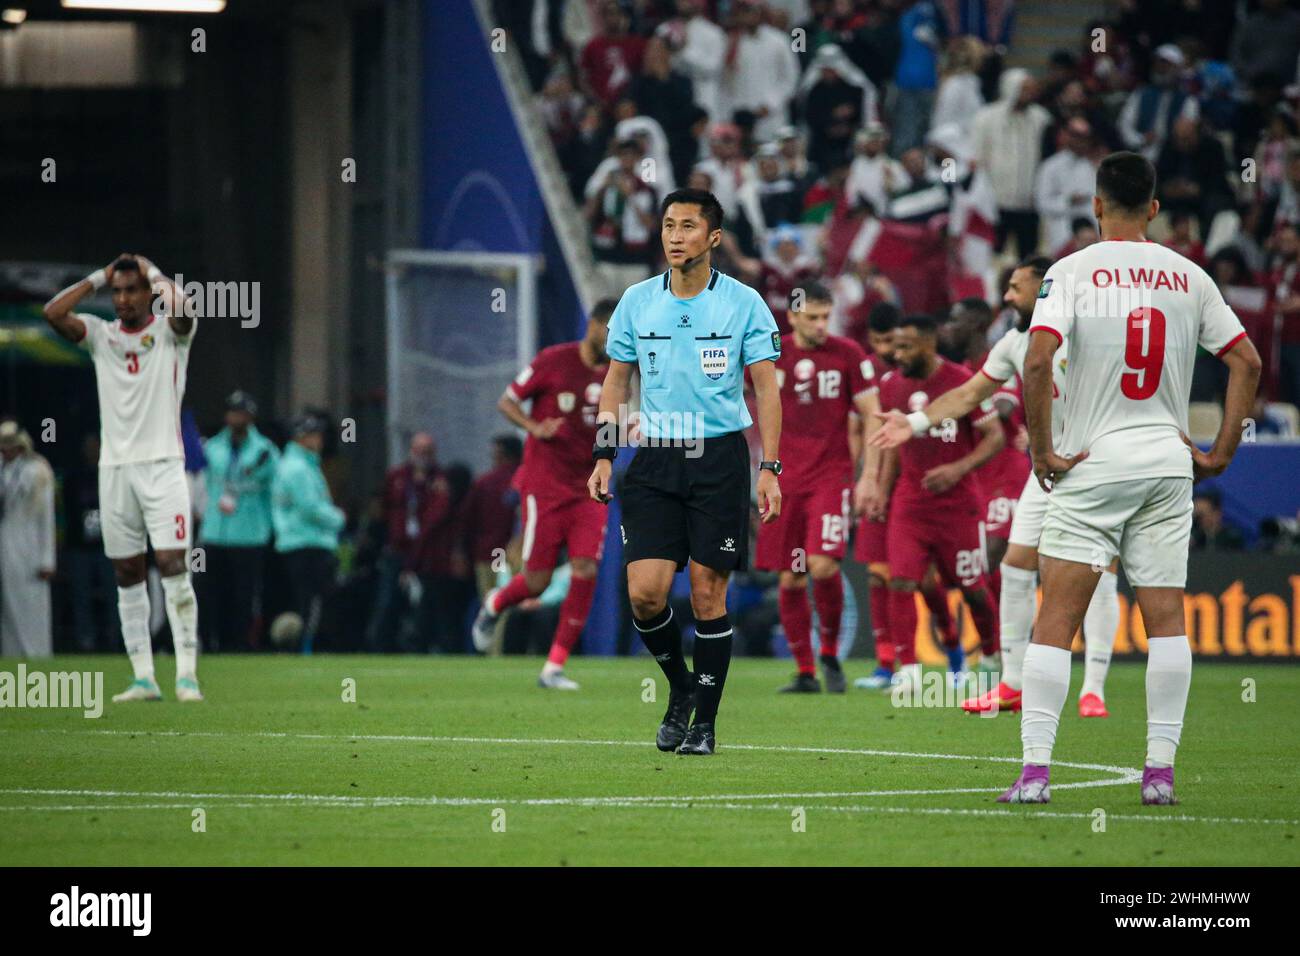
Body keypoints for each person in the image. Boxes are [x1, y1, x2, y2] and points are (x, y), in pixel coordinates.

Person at [1002, 151, 1260, 804]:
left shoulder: (1070, 271)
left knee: (1055, 618)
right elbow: (1248, 363)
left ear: (1094, 204)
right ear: (1153, 208)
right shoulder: (1189, 275)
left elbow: (1037, 363)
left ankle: (1035, 775)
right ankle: (1158, 775)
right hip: (1168, 464)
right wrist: (1220, 452)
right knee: (1166, 618)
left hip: (1094, 461)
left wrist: (1043, 451)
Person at [872, 258, 1120, 717]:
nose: (1006, 297)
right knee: (1013, 566)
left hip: (1102, 465)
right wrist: (914, 422)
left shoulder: (1092, 331)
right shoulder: (1013, 342)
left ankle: (1095, 687)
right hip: (1047, 470)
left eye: (1015, 287)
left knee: (1112, 576)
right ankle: (1010, 679)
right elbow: (971, 395)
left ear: (1046, 288)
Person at [588, 186, 782, 755]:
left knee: (705, 594)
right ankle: (681, 689)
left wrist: (768, 467)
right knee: (646, 594)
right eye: (668, 225)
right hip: (654, 458)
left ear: (713, 238)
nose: (675, 236)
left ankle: (705, 725)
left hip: (718, 458)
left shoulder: (745, 303)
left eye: (688, 226)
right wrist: (603, 454)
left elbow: (767, 389)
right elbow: (617, 383)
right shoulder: (637, 301)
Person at [43, 254, 203, 702]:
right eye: (117, 292)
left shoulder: (170, 335)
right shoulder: (100, 335)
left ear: (148, 293)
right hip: (115, 471)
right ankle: (143, 677)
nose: (122, 299)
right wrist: (97, 277)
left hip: (164, 466)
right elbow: (53, 313)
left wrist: (153, 272)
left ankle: (187, 675)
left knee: (172, 565)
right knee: (127, 571)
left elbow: (185, 307)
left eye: (131, 290)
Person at [472, 299, 615, 689]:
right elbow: (507, 400)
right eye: (609, 328)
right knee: (536, 580)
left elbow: (611, 422)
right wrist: (534, 428)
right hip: (544, 485)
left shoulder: (615, 375)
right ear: (593, 325)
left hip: (589, 485)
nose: (614, 337)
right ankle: (494, 605)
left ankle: (554, 666)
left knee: (586, 569)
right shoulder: (554, 360)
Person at [753, 281, 879, 693]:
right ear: (791, 317)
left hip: (831, 479)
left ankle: (828, 650)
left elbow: (873, 416)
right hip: (784, 482)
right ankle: (805, 671)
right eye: (812, 318)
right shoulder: (771, 354)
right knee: (791, 578)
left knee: (822, 565)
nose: (822, 325)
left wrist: (869, 477)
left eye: (827, 317)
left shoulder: (848, 354)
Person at [871, 314, 1003, 692]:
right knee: (901, 581)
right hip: (911, 502)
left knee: (973, 588)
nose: (898, 354)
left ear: (929, 344)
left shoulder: (961, 381)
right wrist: (882, 489)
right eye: (896, 346)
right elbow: (894, 444)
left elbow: (993, 437)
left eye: (906, 347)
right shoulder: (892, 384)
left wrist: (957, 469)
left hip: (958, 504)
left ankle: (992, 660)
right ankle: (909, 672)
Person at [198, 390, 279, 651]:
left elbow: (275, 491)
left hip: (249, 534)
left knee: (243, 597)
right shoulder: (212, 448)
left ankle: (239, 646)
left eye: (241, 413)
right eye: (233, 412)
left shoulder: (264, 451)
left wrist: (271, 527)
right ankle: (211, 644)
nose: (236, 417)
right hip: (215, 533)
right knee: (210, 593)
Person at [272, 411, 346, 654]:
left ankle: (305, 646)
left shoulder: (300, 464)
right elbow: (310, 508)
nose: (319, 440)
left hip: (299, 541)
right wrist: (338, 519)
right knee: (315, 601)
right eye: (314, 434)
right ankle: (307, 647)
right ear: (301, 437)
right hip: (307, 542)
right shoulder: (298, 468)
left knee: (308, 600)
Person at [366, 432, 440, 652]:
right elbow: (383, 510)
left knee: (422, 604)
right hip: (397, 550)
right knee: (387, 601)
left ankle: (419, 648)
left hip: (426, 552)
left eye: (427, 451)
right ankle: (380, 648)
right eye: (419, 450)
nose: (422, 456)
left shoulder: (438, 480)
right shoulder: (397, 477)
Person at [972, 68, 1051, 257]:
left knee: (1028, 257)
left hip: (1028, 202)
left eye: (1032, 89)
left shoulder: (1041, 118)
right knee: (993, 255)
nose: (1030, 94)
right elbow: (977, 155)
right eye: (1025, 89)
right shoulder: (986, 117)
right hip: (995, 201)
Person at [460, 434, 522, 652]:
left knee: (492, 602)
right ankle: (505, 649)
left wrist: (464, 552)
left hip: (489, 554)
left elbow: (467, 520)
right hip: (519, 554)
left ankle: (495, 651)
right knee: (509, 602)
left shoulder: (485, 482)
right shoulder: (527, 479)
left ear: (502, 454)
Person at [0, 421, 55, 657]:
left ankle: (38, 653)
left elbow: (47, 517)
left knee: (32, 604)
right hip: (5, 541)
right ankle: (10, 655)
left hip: (30, 544)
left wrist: (47, 559)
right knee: (7, 607)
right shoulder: (2, 469)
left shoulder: (38, 470)